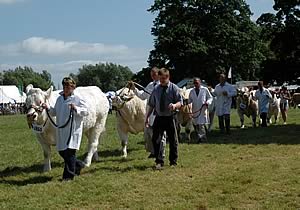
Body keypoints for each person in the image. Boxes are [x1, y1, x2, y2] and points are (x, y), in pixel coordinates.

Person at [43, 77, 88, 181]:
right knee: (62, 152)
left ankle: (68, 177)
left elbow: (86, 111)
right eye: (65, 86)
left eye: (69, 86)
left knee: (70, 152)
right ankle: (79, 164)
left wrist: (76, 108)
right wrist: (48, 108)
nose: (66, 88)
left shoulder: (77, 98)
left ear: (73, 87)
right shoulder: (59, 99)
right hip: (62, 130)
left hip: (72, 130)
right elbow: (55, 112)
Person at [146, 68, 183, 169]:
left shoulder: (174, 88)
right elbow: (151, 104)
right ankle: (159, 162)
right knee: (156, 139)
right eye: (160, 78)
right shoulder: (156, 89)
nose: (161, 81)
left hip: (171, 117)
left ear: (168, 77)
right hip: (159, 117)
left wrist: (175, 105)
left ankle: (173, 162)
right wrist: (147, 117)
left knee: (173, 140)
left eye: (163, 79)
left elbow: (180, 102)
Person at [128, 67, 166, 159]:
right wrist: (134, 88)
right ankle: (153, 152)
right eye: (151, 74)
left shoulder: (163, 85)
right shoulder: (149, 85)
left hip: (160, 113)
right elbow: (142, 96)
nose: (152, 76)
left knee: (160, 136)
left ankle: (161, 153)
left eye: (154, 74)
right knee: (148, 135)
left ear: (159, 74)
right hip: (149, 113)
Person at [188, 78, 213, 142]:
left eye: (197, 83)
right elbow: (190, 100)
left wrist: (207, 102)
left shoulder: (204, 89)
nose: (195, 84)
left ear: (200, 82)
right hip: (195, 110)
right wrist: (187, 103)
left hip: (202, 109)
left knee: (201, 124)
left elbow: (210, 97)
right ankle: (199, 137)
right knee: (196, 125)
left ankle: (203, 139)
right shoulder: (192, 91)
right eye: (194, 83)